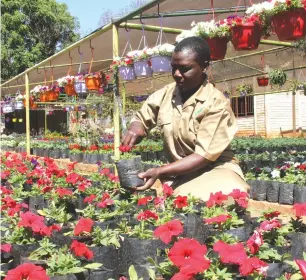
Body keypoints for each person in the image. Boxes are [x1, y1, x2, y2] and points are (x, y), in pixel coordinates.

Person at [122, 36, 249, 200]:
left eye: (185, 68)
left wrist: (161, 171)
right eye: (173, 67)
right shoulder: (166, 94)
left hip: (215, 169)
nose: (176, 74)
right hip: (178, 171)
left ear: (204, 66)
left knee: (224, 196)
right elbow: (142, 117)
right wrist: (136, 127)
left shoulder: (216, 103)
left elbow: (203, 157)